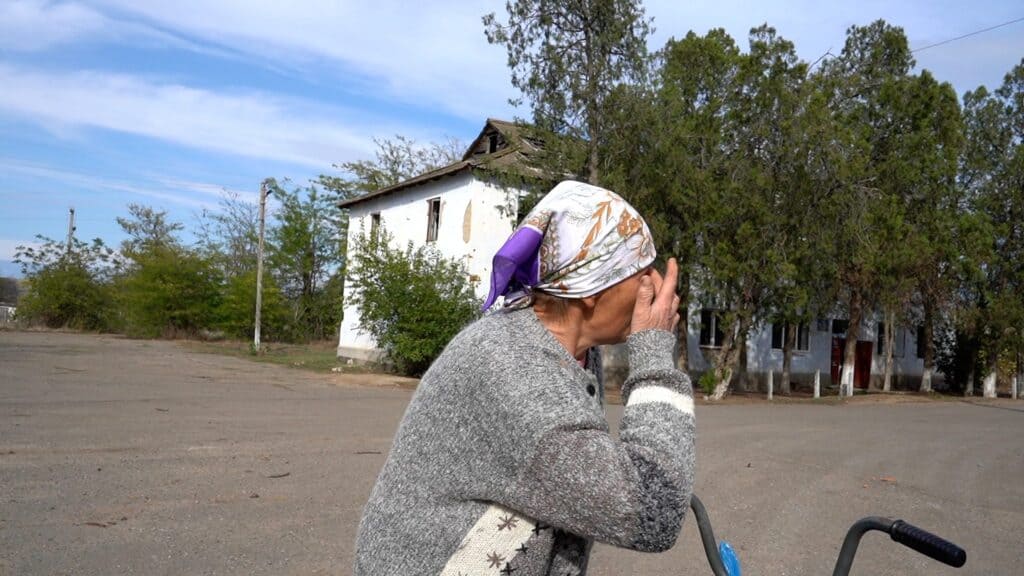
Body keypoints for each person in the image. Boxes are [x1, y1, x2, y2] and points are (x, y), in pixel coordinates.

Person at [354, 180, 695, 576]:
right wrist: (654, 354)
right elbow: (653, 508)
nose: (654, 284)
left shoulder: (576, 350)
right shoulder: (515, 371)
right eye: (641, 269)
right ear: (590, 287)